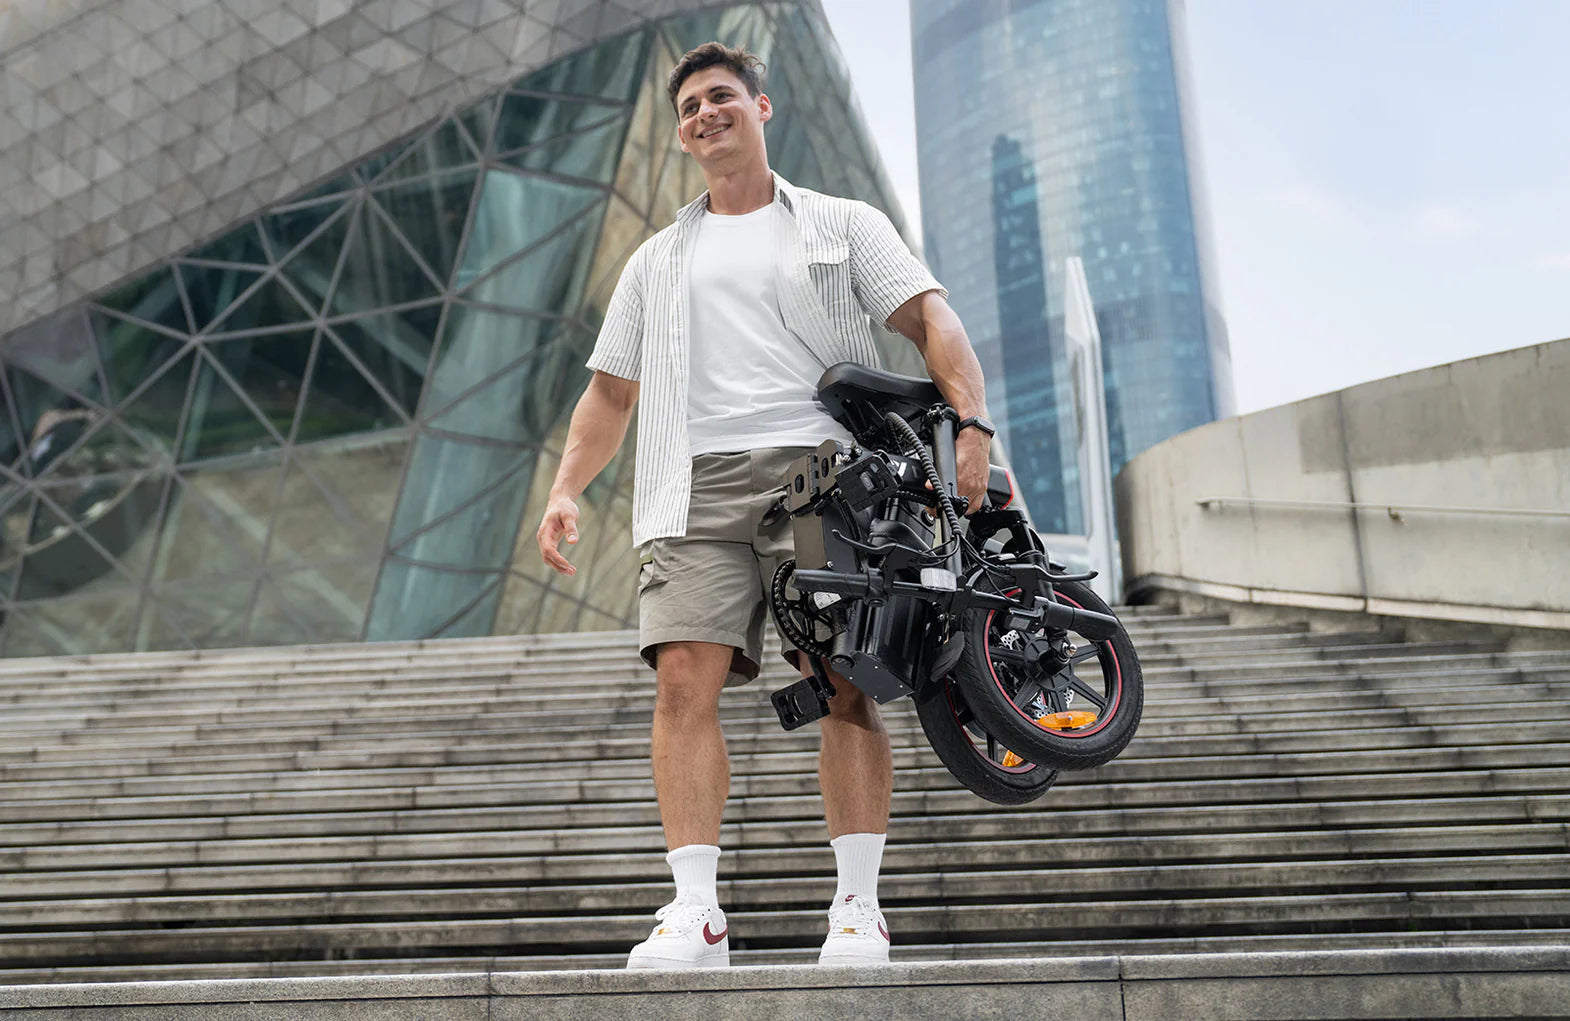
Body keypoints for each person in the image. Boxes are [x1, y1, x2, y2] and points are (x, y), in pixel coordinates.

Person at [535, 42, 994, 969]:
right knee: (680, 683)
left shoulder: (840, 224)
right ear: (680, 133)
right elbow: (609, 394)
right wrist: (563, 488)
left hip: (820, 475)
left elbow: (931, 318)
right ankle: (696, 910)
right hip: (691, 483)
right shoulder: (655, 260)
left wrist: (973, 424)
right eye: (690, 107)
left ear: (763, 107)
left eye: (721, 97)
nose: (706, 114)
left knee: (843, 680)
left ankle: (858, 906)